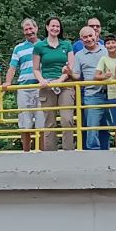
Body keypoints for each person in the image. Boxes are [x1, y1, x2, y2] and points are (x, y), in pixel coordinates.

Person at [32, 16, 76, 152]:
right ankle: (50, 153)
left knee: (66, 119)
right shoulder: (39, 46)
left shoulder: (67, 44)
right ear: (47, 27)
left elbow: (70, 67)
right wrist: (41, 80)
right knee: (49, 120)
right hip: (47, 85)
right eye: (53, 26)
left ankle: (69, 151)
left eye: (57, 26)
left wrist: (61, 80)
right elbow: (36, 68)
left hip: (65, 84)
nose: (55, 28)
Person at [6, 18, 41, 152]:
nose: (29, 32)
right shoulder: (19, 48)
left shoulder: (44, 45)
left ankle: (41, 152)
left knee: (41, 120)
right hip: (24, 87)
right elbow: (12, 67)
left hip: (40, 86)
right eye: (26, 30)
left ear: (36, 28)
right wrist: (8, 82)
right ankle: (26, 152)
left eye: (31, 28)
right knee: (24, 121)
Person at [73, 27, 110, 149]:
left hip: (110, 93)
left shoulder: (106, 50)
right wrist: (68, 72)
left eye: (90, 36)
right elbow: (77, 76)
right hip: (92, 95)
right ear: (81, 39)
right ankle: (93, 155)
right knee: (92, 128)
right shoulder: (79, 55)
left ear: (96, 35)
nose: (89, 39)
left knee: (109, 127)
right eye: (85, 37)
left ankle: (107, 153)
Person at [97, 34, 116, 150]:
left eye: (113, 42)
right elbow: (96, 75)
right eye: (108, 43)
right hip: (112, 94)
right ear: (105, 46)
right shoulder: (104, 59)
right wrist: (105, 75)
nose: (111, 45)